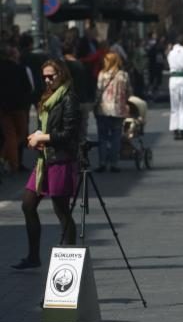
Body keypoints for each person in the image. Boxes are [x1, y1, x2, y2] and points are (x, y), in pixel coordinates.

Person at [11, 60, 79, 270]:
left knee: (61, 210)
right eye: (45, 77)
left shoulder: (69, 98)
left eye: (52, 76)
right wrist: (37, 135)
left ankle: (69, 262)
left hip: (60, 159)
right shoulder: (48, 96)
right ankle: (33, 257)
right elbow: (43, 125)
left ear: (62, 74)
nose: (48, 80)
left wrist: (44, 137)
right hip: (44, 160)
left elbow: (69, 134)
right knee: (28, 204)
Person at [94, 51, 132, 173]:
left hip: (104, 109)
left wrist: (95, 104)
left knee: (103, 136)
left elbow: (98, 91)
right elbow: (129, 92)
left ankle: (102, 162)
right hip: (118, 109)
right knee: (116, 136)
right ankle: (114, 163)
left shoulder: (102, 74)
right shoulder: (124, 75)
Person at [0, 45, 33, 173]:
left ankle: (7, 159)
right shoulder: (21, 69)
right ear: (15, 55)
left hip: (3, 106)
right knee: (21, 133)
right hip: (19, 106)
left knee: (9, 134)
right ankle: (10, 162)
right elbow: (29, 87)